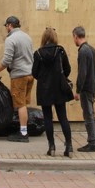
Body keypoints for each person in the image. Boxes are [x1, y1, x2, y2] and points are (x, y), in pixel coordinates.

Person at [31, 27, 74, 157]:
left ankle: (52, 147)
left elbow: (34, 73)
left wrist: (43, 78)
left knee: (48, 118)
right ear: (55, 37)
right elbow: (68, 69)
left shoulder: (38, 53)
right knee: (63, 117)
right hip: (59, 87)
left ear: (44, 38)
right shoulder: (60, 51)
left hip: (44, 89)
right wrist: (60, 77)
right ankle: (69, 147)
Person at [0, 16, 34, 142]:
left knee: (20, 105)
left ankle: (23, 133)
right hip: (30, 74)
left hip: (19, 76)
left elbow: (6, 60)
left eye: (6, 26)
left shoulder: (11, 39)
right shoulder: (27, 37)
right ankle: (23, 130)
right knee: (24, 104)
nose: (6, 29)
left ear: (10, 25)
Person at [73, 26, 95, 153]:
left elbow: (82, 73)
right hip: (93, 86)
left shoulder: (83, 51)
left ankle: (92, 143)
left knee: (88, 115)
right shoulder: (91, 49)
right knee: (92, 115)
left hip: (86, 88)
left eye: (73, 38)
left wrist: (78, 90)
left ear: (75, 36)